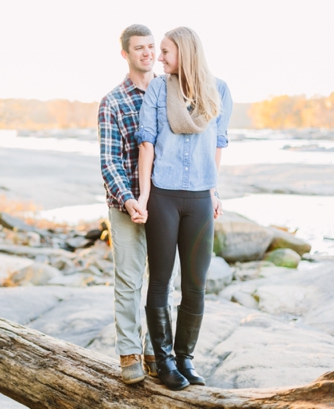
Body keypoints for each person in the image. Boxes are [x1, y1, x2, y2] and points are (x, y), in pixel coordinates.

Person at [135, 26, 233, 390]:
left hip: (199, 200)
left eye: (165, 51)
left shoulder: (219, 90)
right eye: (158, 51)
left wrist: (213, 191)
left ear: (186, 53)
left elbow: (218, 144)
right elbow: (147, 142)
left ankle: (185, 359)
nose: (159, 58)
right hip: (163, 196)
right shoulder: (160, 88)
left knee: (196, 284)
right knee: (160, 280)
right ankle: (164, 362)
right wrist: (145, 196)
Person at [99, 24, 161, 384]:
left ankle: (155, 351)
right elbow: (109, 162)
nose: (147, 53)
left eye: (152, 46)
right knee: (128, 281)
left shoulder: (168, 93)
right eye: (139, 48)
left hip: (165, 204)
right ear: (125, 53)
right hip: (125, 208)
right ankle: (129, 355)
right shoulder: (112, 102)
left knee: (163, 281)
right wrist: (130, 200)